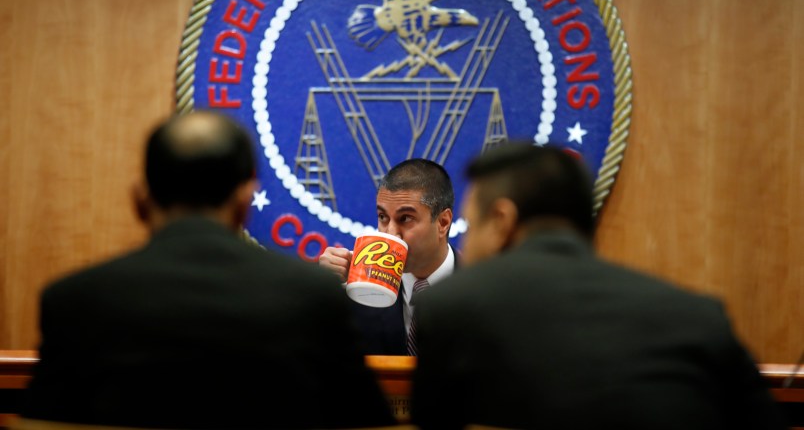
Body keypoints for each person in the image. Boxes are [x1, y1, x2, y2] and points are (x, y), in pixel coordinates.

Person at [22, 111, 395, 429]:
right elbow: (367, 423)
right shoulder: (311, 296)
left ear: (139, 201)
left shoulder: (74, 301)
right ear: (243, 203)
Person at [411, 142, 788, 429]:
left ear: (501, 220)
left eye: (471, 225)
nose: (466, 242)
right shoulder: (698, 315)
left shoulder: (453, 308)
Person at [318, 158, 456, 355]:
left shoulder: (482, 290)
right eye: (383, 217)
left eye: (405, 218)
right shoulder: (359, 292)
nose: (390, 233)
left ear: (443, 223)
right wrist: (324, 296)